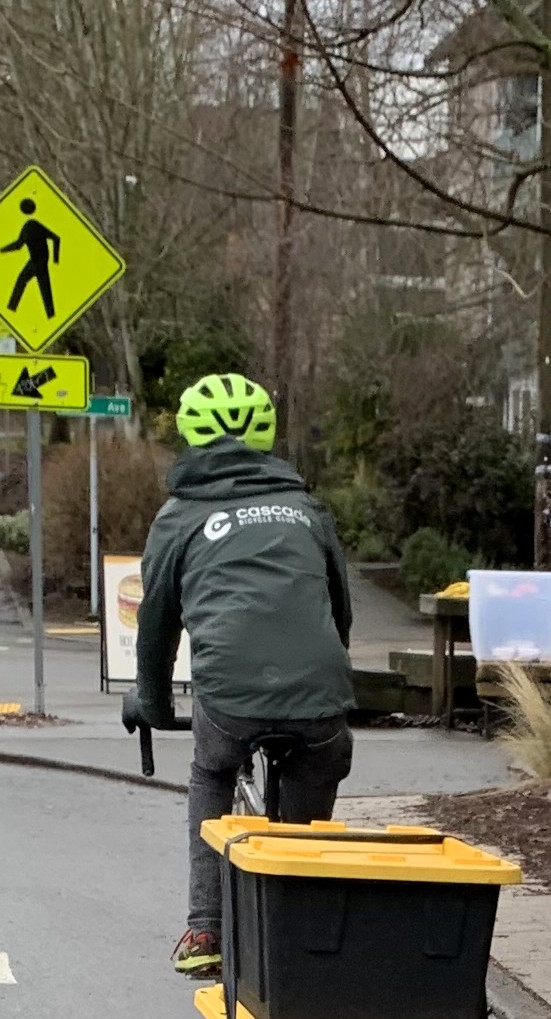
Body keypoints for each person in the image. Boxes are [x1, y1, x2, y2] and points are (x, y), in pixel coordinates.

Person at [129, 372, 358, 978]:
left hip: (230, 698)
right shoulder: (307, 510)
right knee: (313, 792)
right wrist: (327, 681)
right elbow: (340, 607)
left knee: (212, 771)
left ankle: (205, 928)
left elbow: (156, 623)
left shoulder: (178, 518)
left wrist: (151, 703)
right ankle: (302, 927)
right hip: (320, 697)